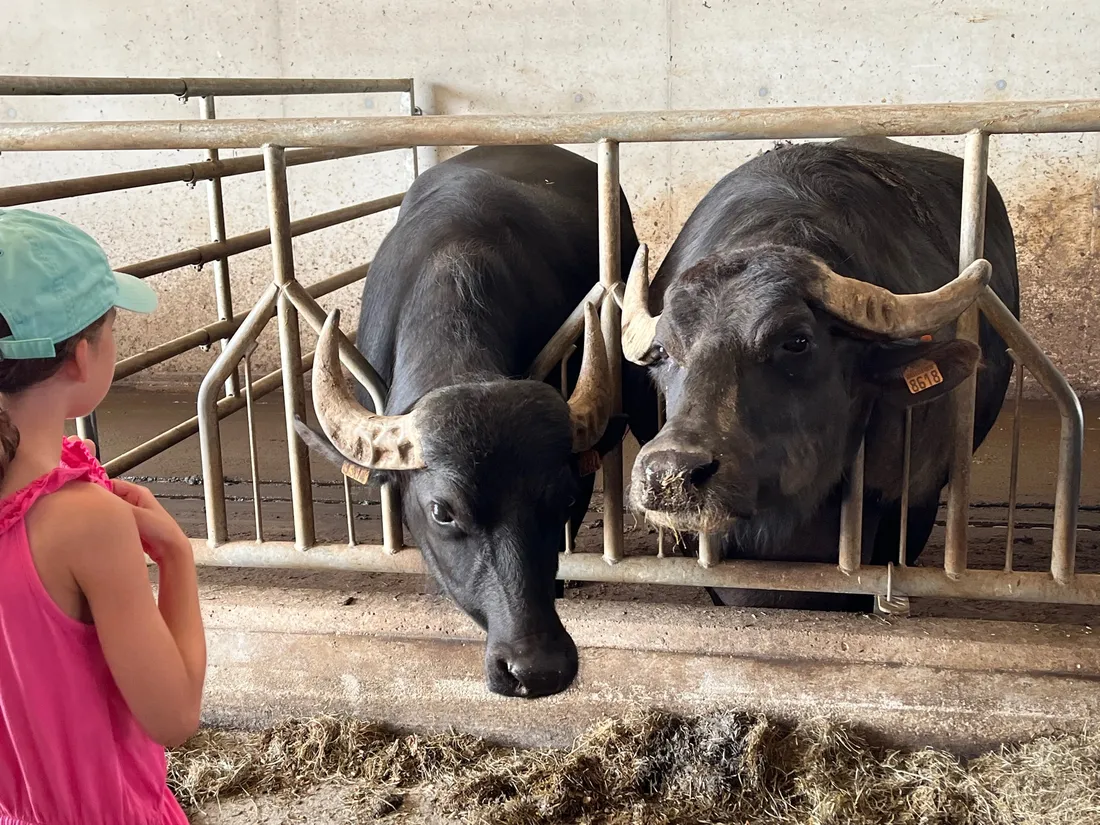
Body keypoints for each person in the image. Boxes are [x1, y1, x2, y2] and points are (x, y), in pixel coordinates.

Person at [0, 208, 205, 825]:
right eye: (112, 328)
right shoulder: (86, 522)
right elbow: (173, 716)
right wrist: (177, 558)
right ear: (79, 359)